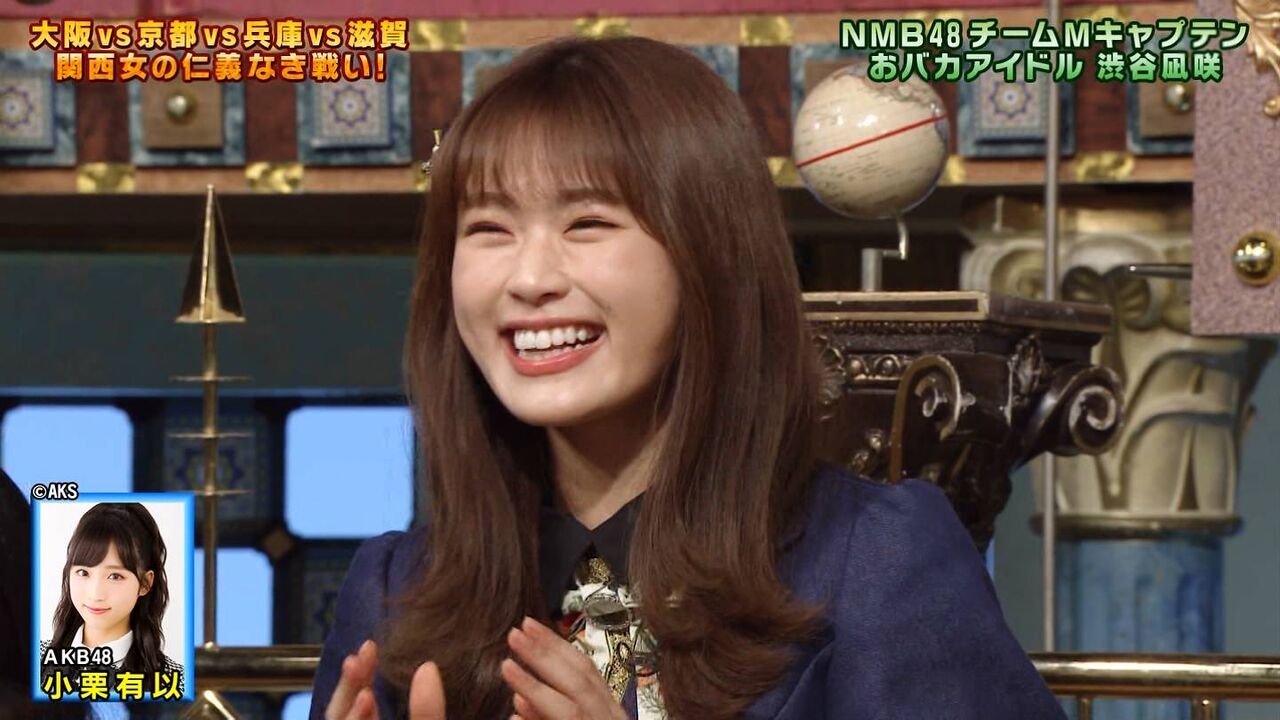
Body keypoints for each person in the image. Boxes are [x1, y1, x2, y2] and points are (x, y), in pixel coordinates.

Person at [313, 35, 1066, 720]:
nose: (529, 278)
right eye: (488, 229)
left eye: (587, 224)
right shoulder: (395, 586)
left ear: (709, 258)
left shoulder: (877, 558)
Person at [39, 502, 184, 697]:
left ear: (145, 583)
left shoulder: (173, 681)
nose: (95, 594)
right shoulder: (31, 660)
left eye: (115, 576)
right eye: (83, 572)